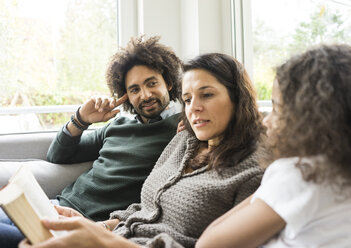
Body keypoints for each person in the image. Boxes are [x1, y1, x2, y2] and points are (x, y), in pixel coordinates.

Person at [18, 52, 265, 248]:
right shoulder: (182, 141)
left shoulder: (252, 170)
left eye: (207, 95)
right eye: (188, 99)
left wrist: (101, 238)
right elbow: (143, 209)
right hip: (78, 215)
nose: (193, 108)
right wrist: (81, 119)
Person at [0, 36, 182, 247]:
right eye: (134, 89)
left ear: (168, 83)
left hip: (87, 226)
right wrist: (81, 119)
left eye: (152, 83)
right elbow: (58, 155)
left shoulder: (182, 129)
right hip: (55, 206)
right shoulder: (118, 125)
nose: (145, 95)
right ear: (126, 96)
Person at [195, 44, 351, 248]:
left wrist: (271, 183)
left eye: (277, 109)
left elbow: (209, 244)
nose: (266, 121)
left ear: (313, 118)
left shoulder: (304, 173)